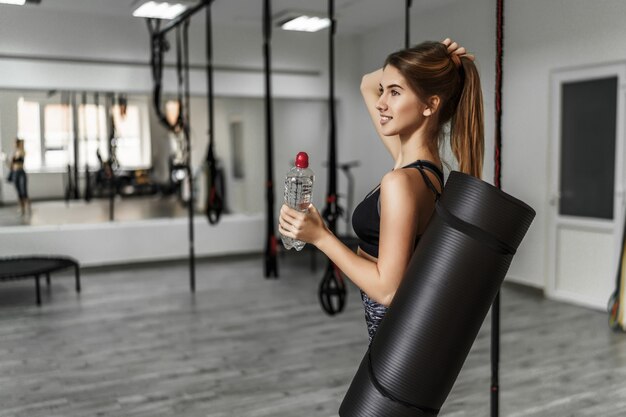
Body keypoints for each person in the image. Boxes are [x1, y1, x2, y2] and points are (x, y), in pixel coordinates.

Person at [278, 39, 484, 343]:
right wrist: (435, 57)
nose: (380, 102)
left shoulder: (401, 181)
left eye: (395, 92)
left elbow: (388, 290)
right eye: (385, 90)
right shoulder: (422, 169)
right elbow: (366, 84)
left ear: (430, 105)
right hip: (400, 332)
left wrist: (320, 236)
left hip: (398, 336)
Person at [10, 138, 31, 216]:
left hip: (21, 172)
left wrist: (21, 144)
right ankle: (22, 208)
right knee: (18, 192)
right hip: (15, 172)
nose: (15, 144)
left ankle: (28, 206)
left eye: (16, 143)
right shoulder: (14, 153)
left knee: (24, 191)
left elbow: (22, 155)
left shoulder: (21, 151)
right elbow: (11, 166)